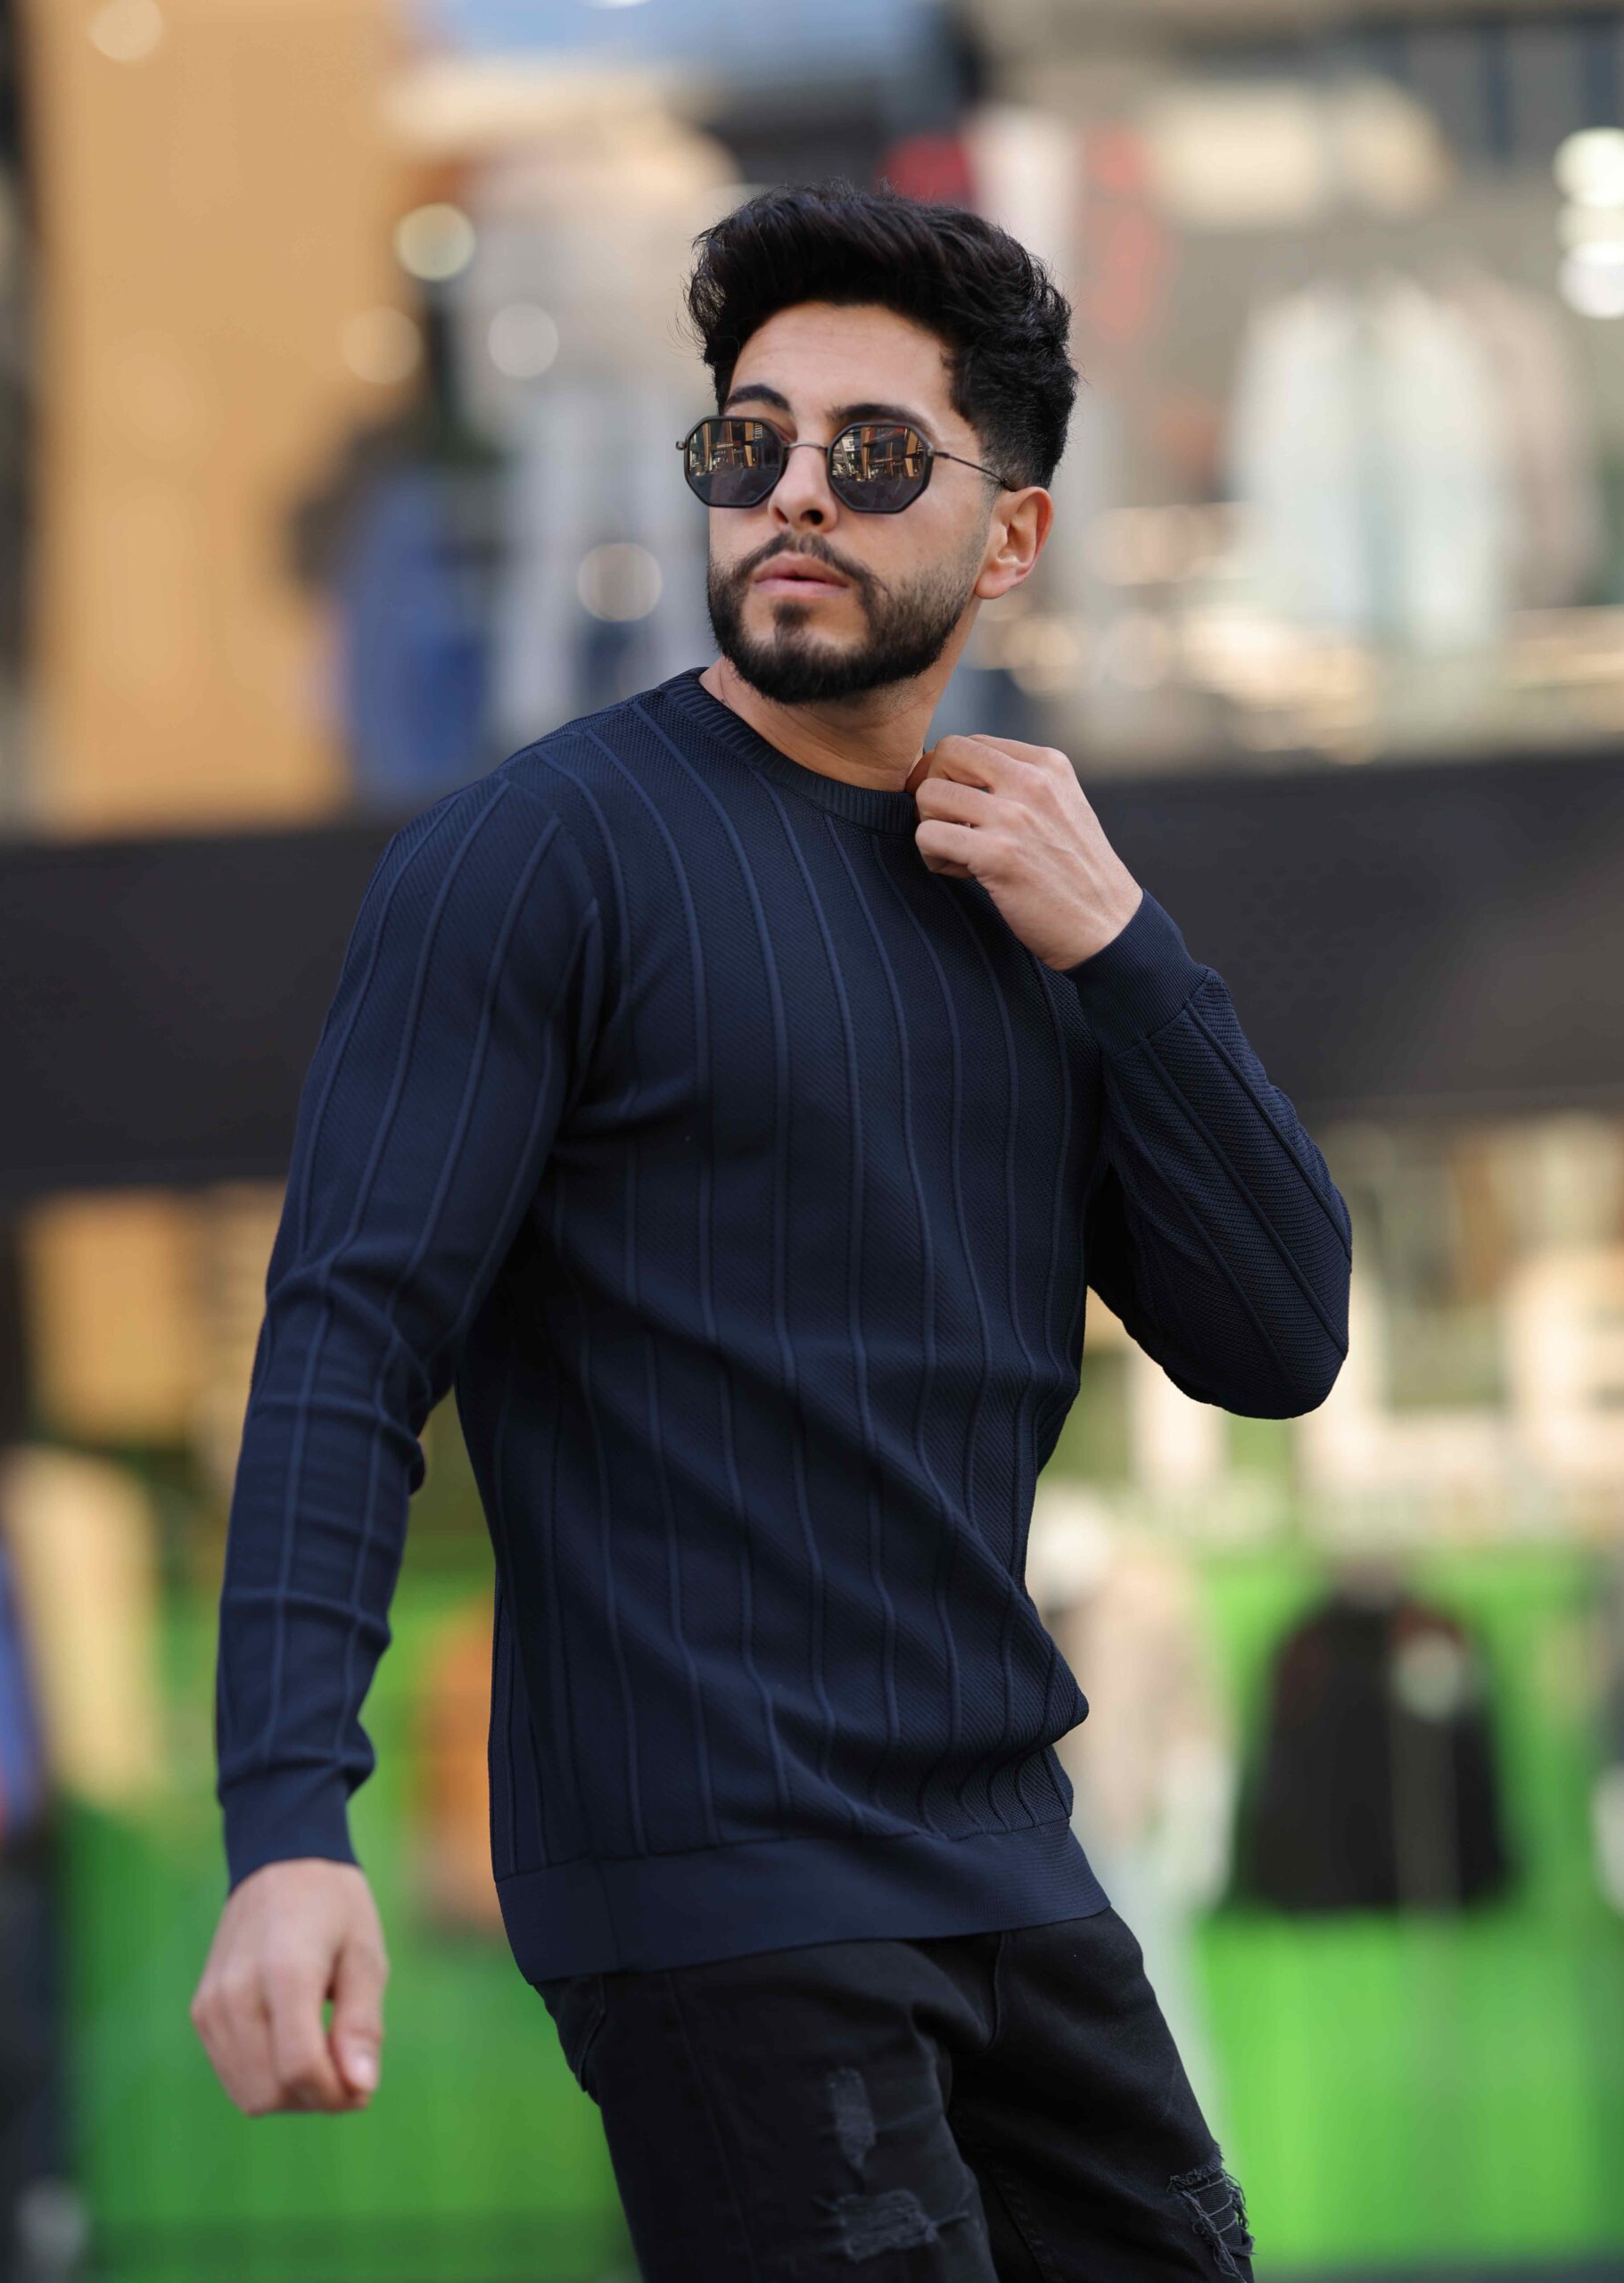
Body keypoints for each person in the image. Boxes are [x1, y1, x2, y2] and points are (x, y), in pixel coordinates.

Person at [190, 182, 1351, 2279]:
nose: (795, 491)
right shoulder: (538, 861)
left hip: (1010, 1858)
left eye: (875, 454)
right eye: (749, 443)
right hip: (712, 1886)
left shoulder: (1025, 896)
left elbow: (1277, 1341)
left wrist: (1128, 953)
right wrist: (288, 1823)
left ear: (1010, 535)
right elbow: (345, 1346)